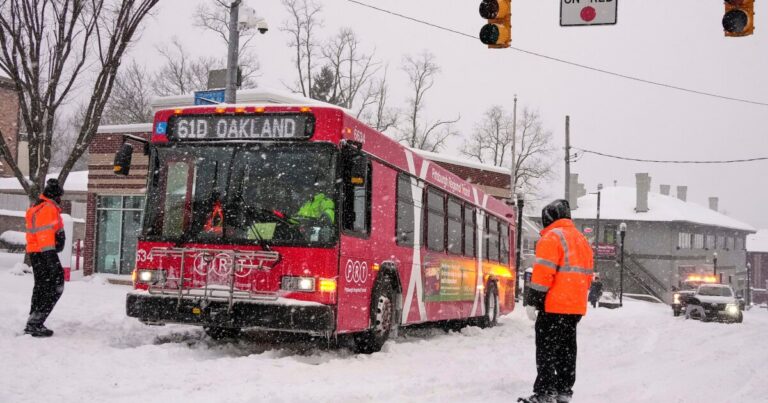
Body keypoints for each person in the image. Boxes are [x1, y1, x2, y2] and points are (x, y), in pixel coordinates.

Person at [520, 199, 594, 403]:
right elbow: (588, 277)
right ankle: (564, 391)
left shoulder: (552, 237)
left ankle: (545, 392)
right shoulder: (582, 240)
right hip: (575, 307)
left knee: (546, 349)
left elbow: (543, 274)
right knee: (567, 350)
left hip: (553, 305)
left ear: (549, 218)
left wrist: (533, 301)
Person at [24, 179, 66, 337]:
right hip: (45, 253)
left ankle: (34, 319)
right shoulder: (48, 208)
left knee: (42, 286)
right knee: (55, 285)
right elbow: (44, 234)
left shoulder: (39, 206)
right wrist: (51, 257)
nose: (61, 199)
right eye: (60, 196)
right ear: (55, 195)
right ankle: (35, 322)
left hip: (37, 253)